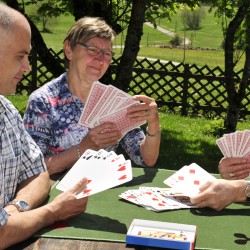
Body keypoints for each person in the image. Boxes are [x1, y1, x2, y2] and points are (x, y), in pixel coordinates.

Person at [23, 17, 161, 175]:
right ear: (69, 49)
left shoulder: (113, 100)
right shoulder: (43, 101)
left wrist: (154, 123)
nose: (100, 60)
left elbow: (146, 158)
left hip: (101, 192)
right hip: (57, 194)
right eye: (93, 50)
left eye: (107, 54)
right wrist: (83, 149)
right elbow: (31, 168)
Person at [0, 3, 88, 249]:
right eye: (20, 56)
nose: (27, 67)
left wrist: (17, 208)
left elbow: (38, 173)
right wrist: (53, 212)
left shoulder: (6, 112)